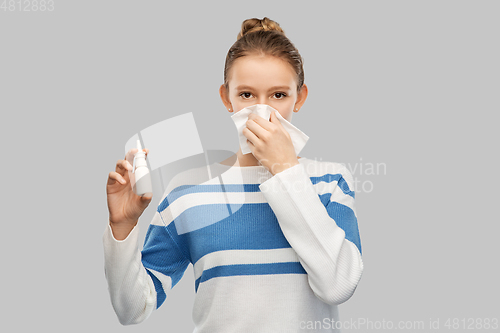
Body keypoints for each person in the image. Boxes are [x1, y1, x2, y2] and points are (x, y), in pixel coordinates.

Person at [104, 17, 363, 332]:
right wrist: (123, 228)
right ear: (226, 97)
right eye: (247, 95)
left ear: (301, 96)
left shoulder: (330, 182)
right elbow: (132, 310)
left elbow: (338, 286)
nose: (261, 111)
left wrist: (284, 169)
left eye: (279, 95)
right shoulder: (188, 191)